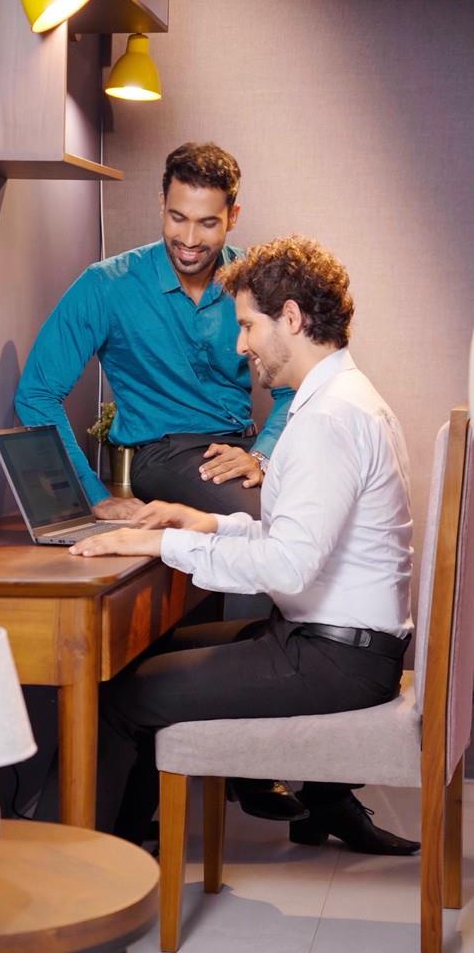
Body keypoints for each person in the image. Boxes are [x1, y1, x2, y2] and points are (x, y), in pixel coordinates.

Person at [69, 234, 420, 856]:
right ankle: (125, 849)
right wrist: (202, 524)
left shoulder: (329, 419)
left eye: (248, 325)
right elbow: (293, 540)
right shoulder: (341, 401)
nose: (241, 345)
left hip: (336, 658)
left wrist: (161, 546)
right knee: (148, 659)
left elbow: (287, 565)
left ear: (292, 318)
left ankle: (100, 867)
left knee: (123, 693)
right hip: (334, 642)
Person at [15, 142, 293, 522]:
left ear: (232, 217)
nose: (190, 239)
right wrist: (91, 494)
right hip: (165, 456)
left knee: (329, 510)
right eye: (178, 218)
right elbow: (36, 393)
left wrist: (261, 455)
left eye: (207, 223)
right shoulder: (105, 285)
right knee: (270, 523)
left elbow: (294, 386)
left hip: (243, 448)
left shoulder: (253, 279)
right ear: (162, 204)